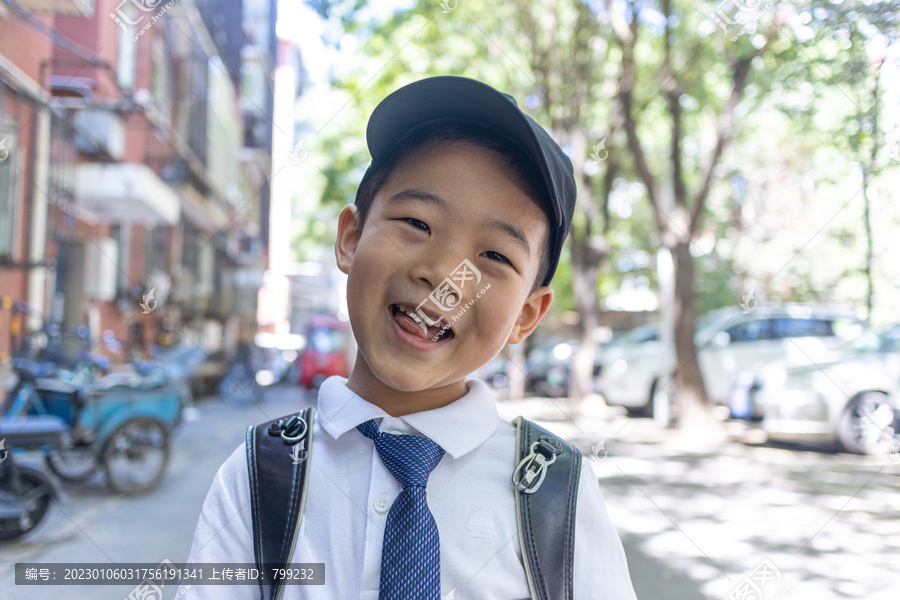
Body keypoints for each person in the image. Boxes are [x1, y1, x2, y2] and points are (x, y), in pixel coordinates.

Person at [178, 76, 637, 599]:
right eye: (417, 222)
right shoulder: (263, 474)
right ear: (350, 238)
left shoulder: (556, 494)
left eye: (493, 256)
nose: (445, 275)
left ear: (526, 315)